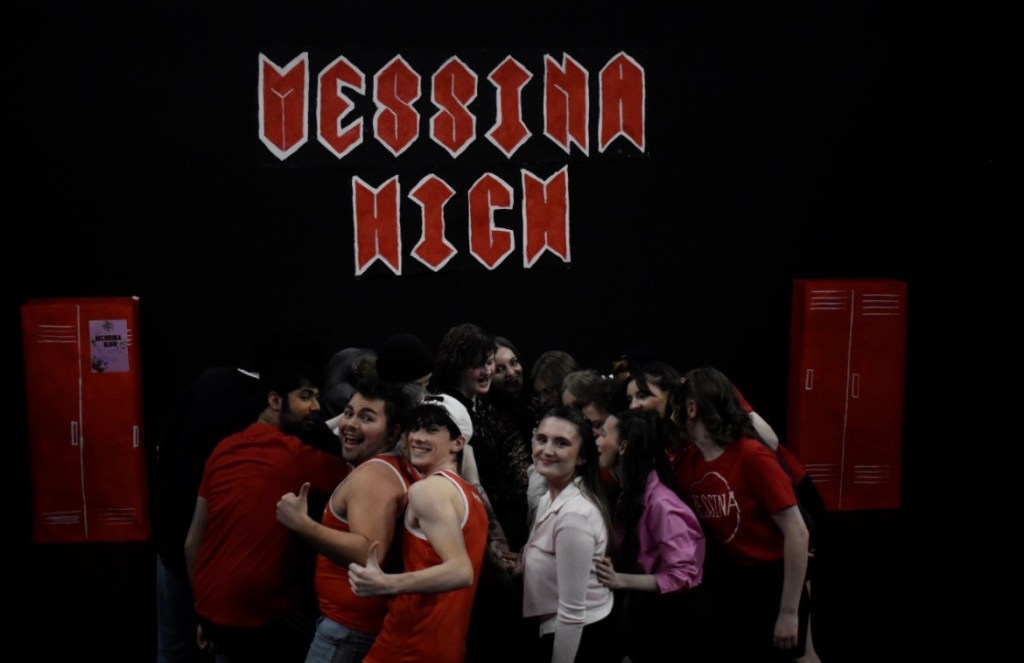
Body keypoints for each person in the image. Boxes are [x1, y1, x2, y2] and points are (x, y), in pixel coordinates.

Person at [154, 329, 329, 663]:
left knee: (174, 648)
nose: (314, 404)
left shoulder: (208, 383)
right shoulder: (281, 418)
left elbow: (163, 448)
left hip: (173, 537)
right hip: (228, 562)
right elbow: (335, 462)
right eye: (308, 392)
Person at [184, 358, 350, 663]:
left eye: (316, 396)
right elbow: (358, 476)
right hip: (257, 619)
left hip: (209, 609)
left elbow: (191, 544)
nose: (315, 406)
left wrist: (204, 614)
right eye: (305, 396)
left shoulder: (223, 448)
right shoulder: (296, 457)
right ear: (274, 400)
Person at [670, 366, 810, 662]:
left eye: (675, 408)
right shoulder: (690, 461)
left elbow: (797, 532)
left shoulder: (751, 456)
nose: (671, 417)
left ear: (691, 408)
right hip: (735, 580)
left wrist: (788, 612)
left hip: (772, 581)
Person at [275, 380, 418, 663]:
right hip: (351, 629)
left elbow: (368, 553)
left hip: (347, 633)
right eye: (349, 413)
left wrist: (301, 523)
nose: (350, 424)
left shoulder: (373, 475)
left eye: (366, 418)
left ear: (393, 432)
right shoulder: (390, 467)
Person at [348, 394, 488, 663]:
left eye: (432, 430)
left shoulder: (427, 491)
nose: (417, 438)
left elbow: (460, 571)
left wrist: (385, 583)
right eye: (415, 428)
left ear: (458, 443)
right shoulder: (470, 495)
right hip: (444, 646)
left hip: (409, 644)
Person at [593, 409, 716, 663]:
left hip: (676, 619)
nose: (596, 439)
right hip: (649, 610)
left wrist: (619, 580)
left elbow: (683, 575)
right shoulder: (628, 492)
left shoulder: (662, 505)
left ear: (623, 446)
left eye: (603, 433)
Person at [522, 407, 618, 663]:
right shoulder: (549, 497)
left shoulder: (574, 517)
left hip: (579, 638)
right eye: (542, 439)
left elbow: (573, 613)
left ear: (582, 457)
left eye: (561, 443)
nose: (546, 450)